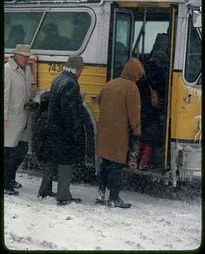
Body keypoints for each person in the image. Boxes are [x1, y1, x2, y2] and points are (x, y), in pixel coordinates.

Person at [95, 58, 144, 208]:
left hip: (105, 130)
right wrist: (136, 131)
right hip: (119, 133)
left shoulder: (110, 83)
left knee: (105, 163)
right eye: (139, 75)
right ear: (134, 73)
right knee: (116, 165)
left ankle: (100, 194)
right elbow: (134, 114)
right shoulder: (131, 88)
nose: (139, 78)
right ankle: (114, 197)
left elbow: (100, 101)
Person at [38, 55, 85, 206]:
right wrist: (75, 130)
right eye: (81, 70)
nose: (81, 73)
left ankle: (44, 190)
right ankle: (63, 196)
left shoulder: (59, 79)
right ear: (77, 70)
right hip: (64, 131)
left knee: (51, 160)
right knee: (66, 162)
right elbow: (69, 111)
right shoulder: (71, 84)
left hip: (53, 127)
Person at [4, 44, 34, 195]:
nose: (25, 58)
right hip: (11, 118)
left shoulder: (27, 69)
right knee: (9, 152)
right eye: (23, 56)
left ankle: (10, 178)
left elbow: (29, 90)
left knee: (21, 150)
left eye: (27, 56)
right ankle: (6, 183)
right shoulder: (7, 70)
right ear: (16, 55)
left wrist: (32, 101)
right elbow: (4, 96)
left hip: (24, 117)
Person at [135, 50, 168, 170]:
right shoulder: (159, 72)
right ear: (160, 61)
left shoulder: (140, 68)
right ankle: (144, 162)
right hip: (151, 108)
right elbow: (161, 89)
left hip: (139, 106)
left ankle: (134, 159)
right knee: (152, 135)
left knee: (141, 133)